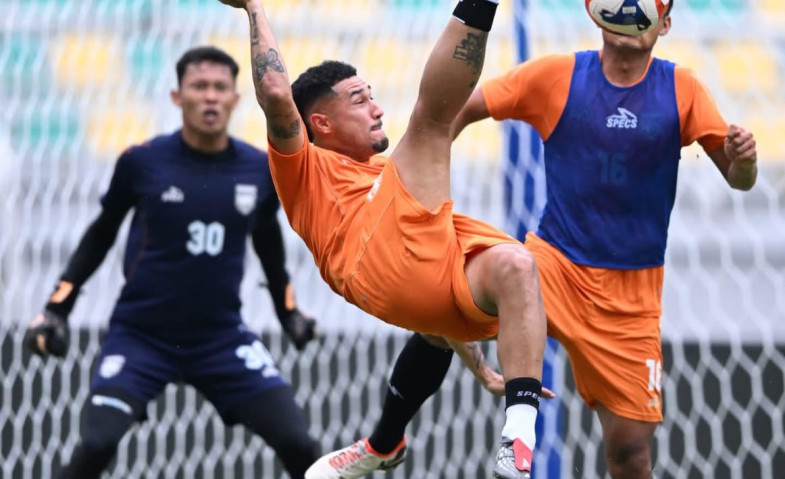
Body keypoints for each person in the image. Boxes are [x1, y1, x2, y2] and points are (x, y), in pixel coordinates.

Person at [308, 1, 760, 478]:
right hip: (554, 265)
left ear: (665, 24)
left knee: (630, 452)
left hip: (632, 297)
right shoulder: (557, 77)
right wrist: (426, 190)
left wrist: (744, 161)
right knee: (442, 310)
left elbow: (738, 178)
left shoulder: (682, 88)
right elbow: (461, 107)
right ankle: (384, 442)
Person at [217, 0, 550, 478]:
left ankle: (510, 436)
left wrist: (480, 367)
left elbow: (434, 300)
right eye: (358, 99)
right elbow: (274, 91)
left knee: (517, 265)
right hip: (366, 261)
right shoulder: (303, 166)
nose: (376, 109)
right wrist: (253, 7)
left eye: (371, 95)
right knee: (433, 123)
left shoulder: (387, 178)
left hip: (419, 282)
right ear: (322, 125)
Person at [24, 46, 321, 479]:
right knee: (97, 444)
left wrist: (288, 311)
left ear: (237, 100)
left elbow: (268, 243)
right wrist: (57, 307)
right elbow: (101, 234)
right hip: (141, 337)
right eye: (199, 87)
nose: (211, 97)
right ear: (176, 97)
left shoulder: (259, 169)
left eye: (221, 88)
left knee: (300, 444)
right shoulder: (142, 162)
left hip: (221, 339)